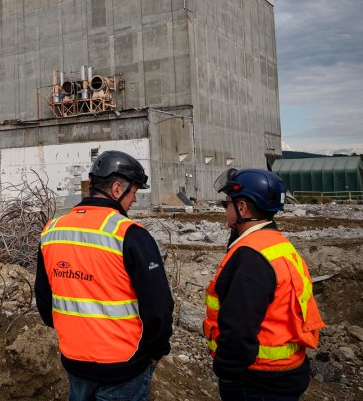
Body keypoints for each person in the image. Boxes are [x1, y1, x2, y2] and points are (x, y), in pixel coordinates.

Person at [35, 150, 173, 401]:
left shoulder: (52, 230)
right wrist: (156, 351)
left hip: (74, 361)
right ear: (118, 189)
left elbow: (45, 302)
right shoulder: (129, 234)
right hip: (123, 366)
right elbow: (158, 308)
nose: (134, 201)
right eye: (134, 193)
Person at [204, 168, 325, 400]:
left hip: (259, 379)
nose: (224, 210)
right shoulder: (277, 244)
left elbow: (238, 327)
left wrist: (227, 374)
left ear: (242, 208)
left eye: (226, 204)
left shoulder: (251, 256)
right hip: (287, 369)